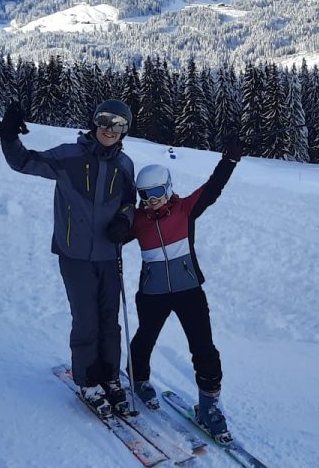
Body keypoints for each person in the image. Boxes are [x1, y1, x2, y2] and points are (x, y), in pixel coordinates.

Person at [0, 98, 139, 417]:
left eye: (118, 125)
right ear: (94, 122)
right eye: (105, 121)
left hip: (108, 255)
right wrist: (8, 136)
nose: (109, 129)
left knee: (109, 321)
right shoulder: (68, 156)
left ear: (125, 131)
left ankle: (110, 376)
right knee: (86, 319)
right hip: (74, 254)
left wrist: (124, 221)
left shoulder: (125, 165)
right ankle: (88, 380)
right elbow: (23, 162)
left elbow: (130, 203)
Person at [126, 137, 243, 443]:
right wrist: (114, 230)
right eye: (143, 195)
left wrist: (228, 161)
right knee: (144, 339)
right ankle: (139, 380)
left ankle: (209, 406)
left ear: (166, 189)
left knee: (203, 347)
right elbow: (110, 235)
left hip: (189, 290)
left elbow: (212, 188)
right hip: (152, 293)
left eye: (154, 194)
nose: (149, 201)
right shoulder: (138, 221)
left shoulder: (185, 210)